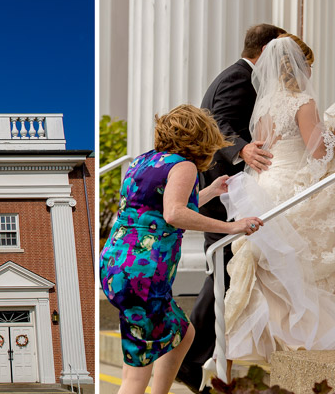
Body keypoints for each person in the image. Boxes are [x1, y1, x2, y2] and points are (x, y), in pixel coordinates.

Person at [220, 34, 335, 362]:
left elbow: (266, 146)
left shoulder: (264, 103)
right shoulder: (301, 102)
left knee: (273, 263)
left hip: (265, 184)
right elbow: (318, 152)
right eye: (309, 64)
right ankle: (303, 338)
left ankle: (269, 344)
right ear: (301, 65)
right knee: (299, 261)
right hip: (289, 186)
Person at [100, 104, 265, 394]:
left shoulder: (145, 161)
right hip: (144, 274)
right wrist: (233, 227)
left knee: (183, 333)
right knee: (136, 377)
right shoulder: (184, 166)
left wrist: (212, 190)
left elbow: (161, 208)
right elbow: (174, 214)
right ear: (200, 139)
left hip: (116, 267)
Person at [177, 24, 285, 392]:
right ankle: (190, 359)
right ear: (267, 49)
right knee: (223, 271)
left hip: (226, 188)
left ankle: (196, 361)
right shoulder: (240, 79)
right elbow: (218, 122)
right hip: (225, 190)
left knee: (225, 272)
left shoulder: (240, 76)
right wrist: (242, 149)